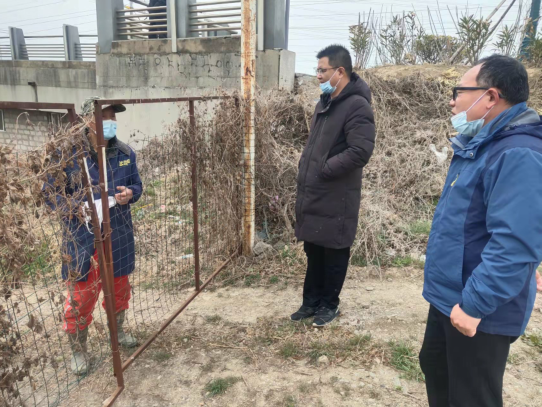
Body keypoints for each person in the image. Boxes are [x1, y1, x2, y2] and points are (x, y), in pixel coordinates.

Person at [420, 54, 542, 407]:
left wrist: (474, 305)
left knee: (471, 396)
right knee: (436, 369)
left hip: (478, 308)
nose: (452, 101)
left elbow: (515, 244)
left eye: (459, 91)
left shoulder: (518, 153)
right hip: (451, 295)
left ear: (490, 97)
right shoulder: (484, 144)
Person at [44, 97, 143, 375]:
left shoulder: (124, 152)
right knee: (81, 294)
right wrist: (73, 207)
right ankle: (78, 349)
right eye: (104, 116)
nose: (110, 122)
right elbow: (49, 194)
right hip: (82, 237)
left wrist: (130, 194)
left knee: (119, 287)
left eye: (113, 117)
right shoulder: (67, 156)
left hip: (117, 233)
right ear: (88, 120)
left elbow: (137, 185)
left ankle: (117, 331)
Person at [291, 45, 375, 327]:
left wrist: (324, 169)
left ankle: (330, 304)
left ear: (340, 72)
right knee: (314, 250)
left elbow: (360, 151)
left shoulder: (357, 106)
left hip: (337, 195)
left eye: (322, 70)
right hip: (315, 193)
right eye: (317, 70)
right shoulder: (325, 103)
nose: (318, 75)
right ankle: (310, 302)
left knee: (334, 252)